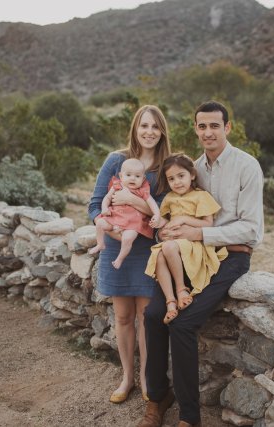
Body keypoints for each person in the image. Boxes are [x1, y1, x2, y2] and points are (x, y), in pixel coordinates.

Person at [138, 101, 264, 427]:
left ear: (227, 128)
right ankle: (158, 397)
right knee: (152, 315)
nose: (208, 132)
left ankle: (190, 417)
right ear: (195, 129)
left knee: (183, 323)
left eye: (215, 126)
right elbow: (173, 215)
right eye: (202, 126)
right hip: (188, 253)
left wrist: (200, 233)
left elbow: (252, 230)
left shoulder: (247, 166)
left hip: (231, 255)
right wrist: (167, 231)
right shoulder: (191, 169)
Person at [88, 105, 171, 404]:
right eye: (144, 125)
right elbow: (95, 205)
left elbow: (164, 215)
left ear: (162, 132)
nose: (149, 132)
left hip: (148, 252)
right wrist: (111, 231)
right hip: (116, 248)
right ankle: (127, 378)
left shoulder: (166, 168)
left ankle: (147, 379)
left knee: (147, 318)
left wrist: (133, 202)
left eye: (155, 126)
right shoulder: (116, 161)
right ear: (135, 128)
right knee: (123, 317)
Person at [144, 153, 228, 324]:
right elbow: (167, 220)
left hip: (193, 244)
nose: (177, 182)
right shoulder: (170, 198)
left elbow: (208, 224)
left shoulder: (201, 196)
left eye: (181, 176)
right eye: (171, 179)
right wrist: (160, 223)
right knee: (158, 255)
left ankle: (181, 289)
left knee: (167, 248)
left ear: (192, 175)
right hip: (174, 242)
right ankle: (171, 302)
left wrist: (184, 219)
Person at [89, 158, 162, 269]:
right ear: (121, 176)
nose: (132, 178)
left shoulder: (142, 190)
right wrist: (104, 208)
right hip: (114, 218)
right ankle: (100, 244)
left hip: (132, 224)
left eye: (137, 176)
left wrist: (156, 214)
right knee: (100, 223)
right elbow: (107, 198)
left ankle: (120, 258)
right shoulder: (117, 186)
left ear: (143, 179)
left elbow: (152, 204)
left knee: (128, 239)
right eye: (128, 175)